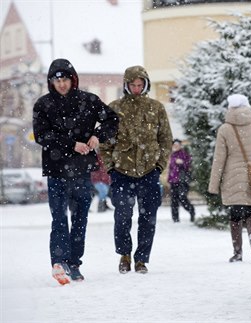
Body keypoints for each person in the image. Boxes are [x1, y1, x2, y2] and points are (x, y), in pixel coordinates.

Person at [33, 58, 119, 285]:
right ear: (51, 81)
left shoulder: (88, 101)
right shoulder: (43, 105)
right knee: (59, 217)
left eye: (65, 79)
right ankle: (59, 263)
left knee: (80, 218)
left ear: (73, 79)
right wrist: (71, 144)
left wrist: (97, 136)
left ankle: (74, 263)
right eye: (56, 79)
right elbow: (42, 135)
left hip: (82, 171)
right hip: (56, 170)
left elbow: (112, 120)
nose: (61, 84)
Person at [99, 65, 173, 275]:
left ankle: (141, 259)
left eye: (140, 84)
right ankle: (124, 255)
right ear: (126, 85)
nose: (137, 88)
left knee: (148, 218)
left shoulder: (156, 108)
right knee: (122, 216)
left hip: (149, 171)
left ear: (146, 84)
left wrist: (159, 165)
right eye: (133, 84)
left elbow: (165, 139)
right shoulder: (114, 108)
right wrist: (111, 168)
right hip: (121, 172)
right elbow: (104, 143)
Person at [208, 94, 251, 263]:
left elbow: (219, 159)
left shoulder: (225, 129)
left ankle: (237, 252)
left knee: (235, 215)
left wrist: (213, 185)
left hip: (231, 177)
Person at [167, 139, 195, 222]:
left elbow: (189, 163)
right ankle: (175, 219)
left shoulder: (183, 154)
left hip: (182, 181)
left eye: (177, 145)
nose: (175, 147)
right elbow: (171, 169)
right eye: (174, 145)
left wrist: (182, 162)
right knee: (174, 200)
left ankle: (191, 211)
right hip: (173, 181)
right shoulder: (172, 155)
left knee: (182, 198)